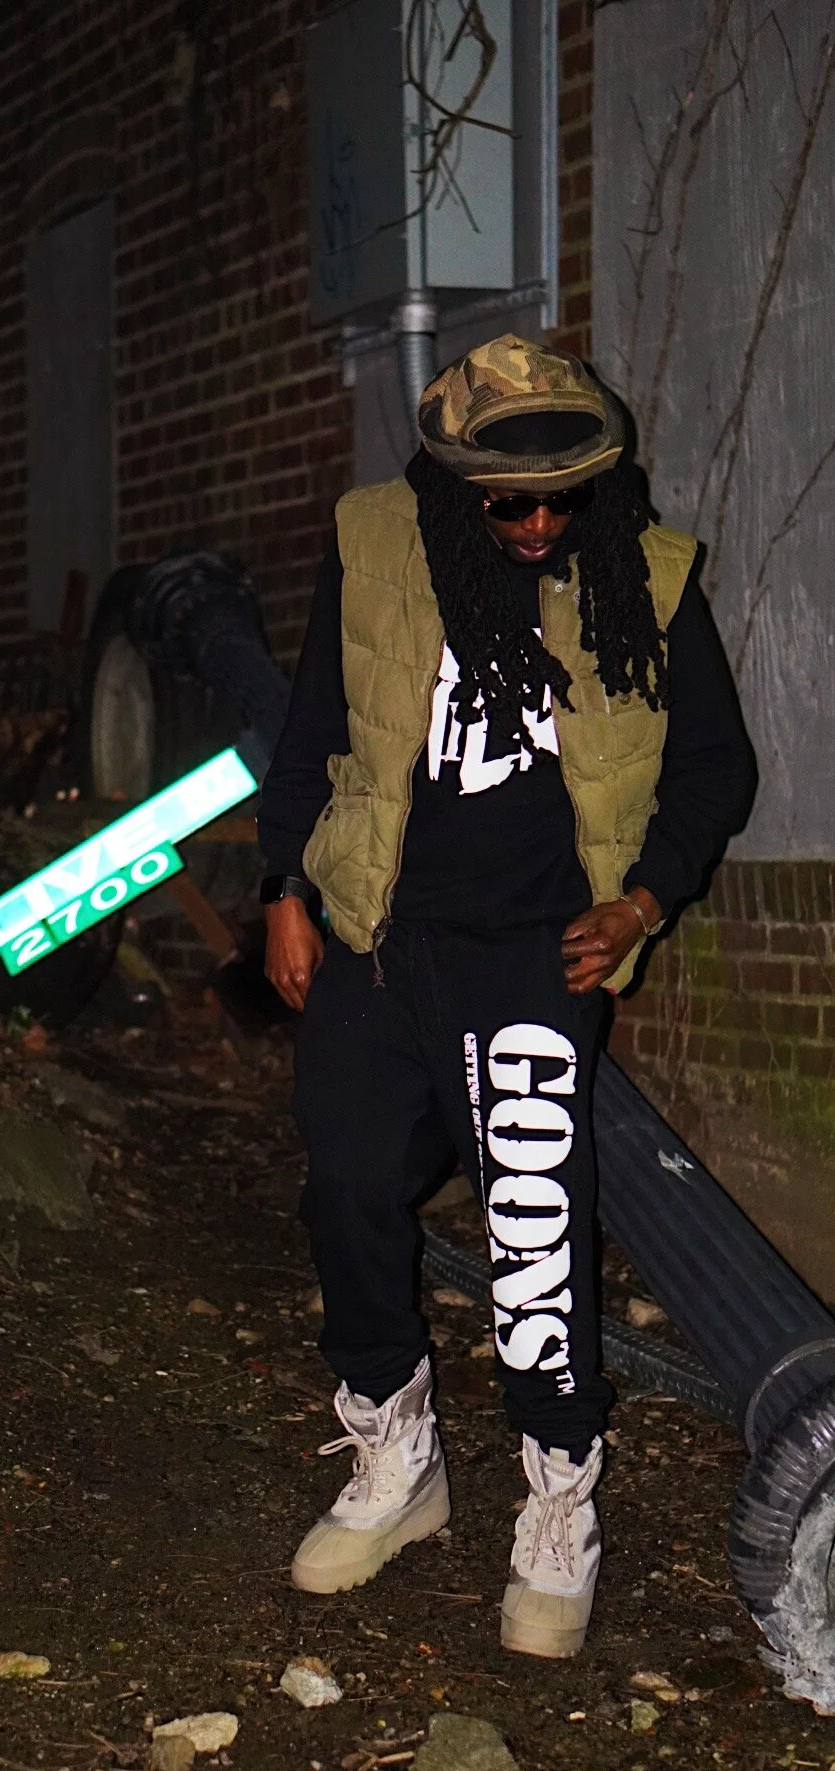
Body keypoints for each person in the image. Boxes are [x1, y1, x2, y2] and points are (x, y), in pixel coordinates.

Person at [256, 335, 756, 1659]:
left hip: (540, 951)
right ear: (450, 490)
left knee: (534, 1230)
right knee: (348, 1187)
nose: (537, 528)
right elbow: (311, 735)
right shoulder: (376, 549)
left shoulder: (646, 576)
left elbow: (715, 767)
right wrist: (284, 886)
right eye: (507, 507)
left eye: (561, 503)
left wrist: (639, 901)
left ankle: (558, 1500)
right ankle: (396, 1448)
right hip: (381, 934)